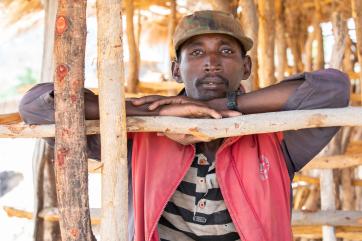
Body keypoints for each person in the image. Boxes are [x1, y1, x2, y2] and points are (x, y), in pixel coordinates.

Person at [19, 10, 349, 241]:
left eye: (225, 50)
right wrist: (138, 111)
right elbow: (36, 107)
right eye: (196, 52)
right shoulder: (141, 133)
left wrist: (220, 106)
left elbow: (332, 88)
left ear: (246, 66)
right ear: (176, 71)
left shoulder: (274, 133)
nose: (212, 61)